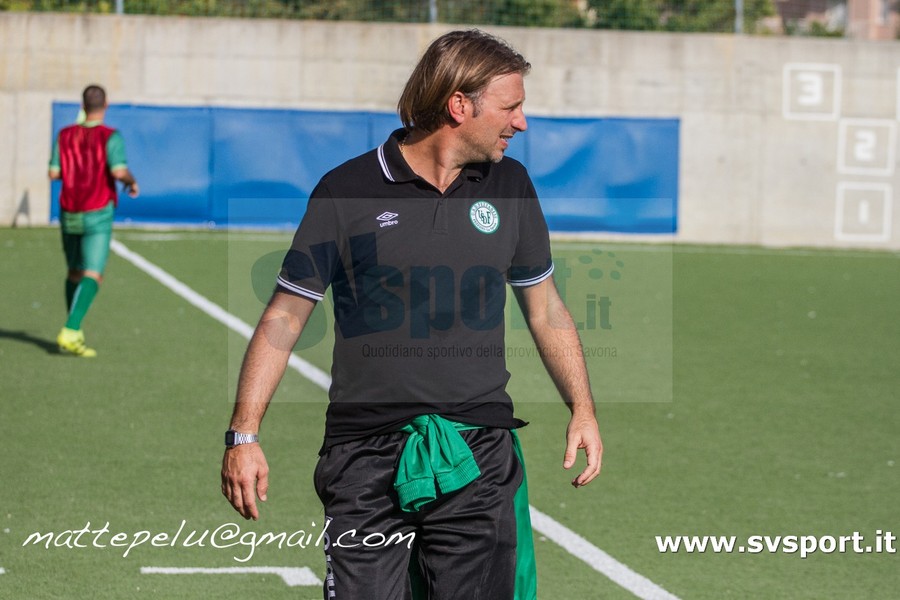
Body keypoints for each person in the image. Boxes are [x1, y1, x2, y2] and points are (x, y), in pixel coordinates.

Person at [221, 29, 602, 600]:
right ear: (459, 105)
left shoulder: (511, 185)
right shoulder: (345, 190)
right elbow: (286, 316)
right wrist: (243, 435)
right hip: (363, 457)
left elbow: (545, 307)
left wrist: (583, 408)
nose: (521, 123)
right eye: (511, 107)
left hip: (477, 450)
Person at [48, 84, 139, 357]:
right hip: (97, 211)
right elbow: (118, 171)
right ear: (106, 104)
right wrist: (132, 182)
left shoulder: (65, 134)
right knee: (93, 273)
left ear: (82, 105)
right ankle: (71, 328)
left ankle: (74, 331)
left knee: (74, 272)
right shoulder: (110, 136)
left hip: (69, 211)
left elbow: (53, 173)